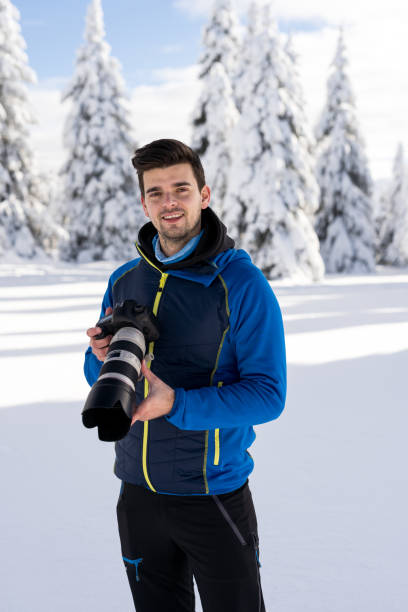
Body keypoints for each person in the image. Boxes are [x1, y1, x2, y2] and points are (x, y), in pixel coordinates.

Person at [84, 139, 286, 612]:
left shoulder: (241, 284)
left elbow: (268, 394)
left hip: (212, 493)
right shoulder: (124, 280)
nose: (168, 202)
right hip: (136, 492)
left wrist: (178, 404)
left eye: (180, 188)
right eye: (156, 192)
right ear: (143, 202)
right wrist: (99, 357)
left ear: (204, 195)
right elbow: (101, 375)